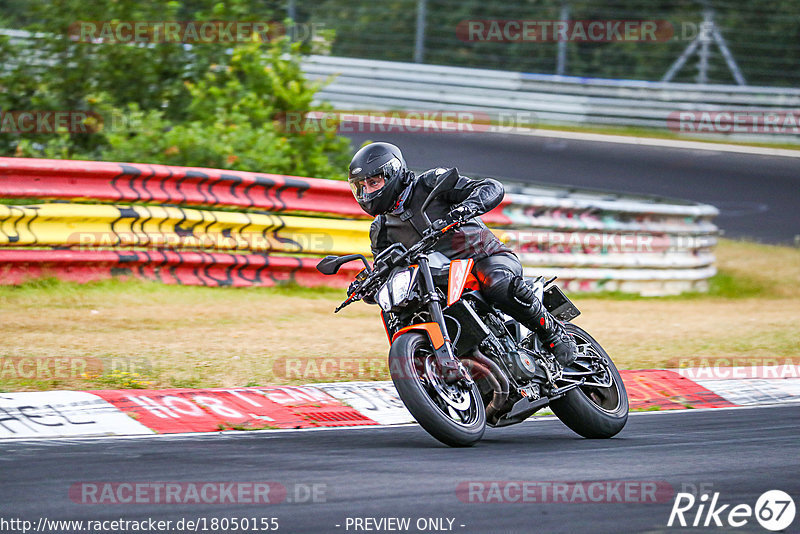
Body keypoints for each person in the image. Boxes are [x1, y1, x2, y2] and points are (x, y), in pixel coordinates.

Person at [347, 141, 577, 367]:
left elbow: (490, 188)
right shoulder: (380, 230)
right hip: (439, 281)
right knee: (397, 311)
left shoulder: (431, 183)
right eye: (362, 186)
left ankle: (553, 334)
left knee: (496, 282)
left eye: (373, 182)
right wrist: (368, 283)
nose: (367, 191)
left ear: (392, 173)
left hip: (482, 257)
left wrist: (465, 208)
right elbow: (384, 266)